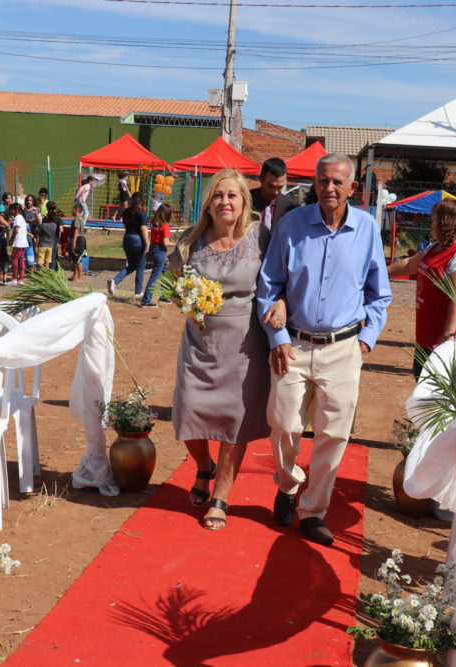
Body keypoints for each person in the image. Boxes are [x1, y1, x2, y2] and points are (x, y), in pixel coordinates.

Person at [257, 153, 392, 546]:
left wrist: (368, 338)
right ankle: (287, 486)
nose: (329, 188)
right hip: (292, 345)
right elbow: (269, 285)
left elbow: (379, 295)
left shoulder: (367, 229)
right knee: (283, 424)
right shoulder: (291, 225)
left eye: (337, 182)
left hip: (344, 348)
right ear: (314, 183)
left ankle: (313, 511)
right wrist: (278, 338)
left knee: (334, 434)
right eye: (322, 180)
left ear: (353, 187)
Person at [171, 169, 272, 530]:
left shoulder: (262, 236)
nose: (225, 202)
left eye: (232, 195)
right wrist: (186, 298)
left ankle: (220, 497)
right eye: (218, 195)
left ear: (244, 200)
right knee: (188, 414)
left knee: (234, 420)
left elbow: (276, 282)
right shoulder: (191, 240)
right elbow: (174, 279)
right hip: (199, 343)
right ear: (208, 203)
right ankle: (203, 466)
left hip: (244, 344)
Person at [387, 198, 456, 379]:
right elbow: (409, 265)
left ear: (446, 222)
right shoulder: (437, 247)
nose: (431, 222)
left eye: (435, 218)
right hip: (427, 336)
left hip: (447, 340)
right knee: (422, 384)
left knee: (440, 396)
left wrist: (447, 336)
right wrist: (380, 274)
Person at [107, 192, 149, 299]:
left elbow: (125, 226)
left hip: (127, 238)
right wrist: (147, 244)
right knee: (140, 266)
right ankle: (138, 292)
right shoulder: (142, 213)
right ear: (141, 201)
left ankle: (115, 281)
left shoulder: (127, 211)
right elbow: (143, 229)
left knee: (131, 265)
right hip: (138, 240)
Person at [249, 157, 298, 232]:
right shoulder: (246, 200)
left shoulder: (291, 206)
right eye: (271, 186)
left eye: (280, 187)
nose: (275, 192)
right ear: (261, 179)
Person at [140, 204, 174, 307]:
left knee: (166, 273)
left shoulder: (154, 223)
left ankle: (163, 296)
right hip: (160, 251)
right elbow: (166, 243)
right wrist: (178, 244)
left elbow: (152, 236)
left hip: (153, 249)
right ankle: (146, 301)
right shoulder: (165, 226)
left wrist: (148, 248)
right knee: (154, 277)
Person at [35, 202, 60, 269]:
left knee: (39, 262)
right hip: (50, 246)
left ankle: (45, 270)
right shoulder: (54, 225)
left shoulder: (43, 225)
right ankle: (47, 275)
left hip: (42, 245)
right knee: (47, 261)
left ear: (47, 217)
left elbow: (37, 229)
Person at [8, 202, 28, 285]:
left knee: (14, 260)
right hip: (23, 242)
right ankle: (21, 279)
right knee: (21, 260)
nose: (10, 211)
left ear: (15, 210)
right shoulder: (21, 217)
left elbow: (16, 230)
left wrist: (11, 239)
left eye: (11, 209)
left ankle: (14, 278)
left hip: (18, 242)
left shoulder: (17, 218)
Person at [69, 202, 87, 282]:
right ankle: (74, 276)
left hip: (78, 240)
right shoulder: (81, 218)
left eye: (72, 209)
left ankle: (81, 277)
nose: (71, 211)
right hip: (81, 239)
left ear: (76, 210)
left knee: (78, 259)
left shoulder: (77, 219)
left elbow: (76, 230)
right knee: (76, 259)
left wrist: (74, 242)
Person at [0, 192, 13, 285]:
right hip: (2, 229)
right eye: (7, 198)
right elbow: (1, 220)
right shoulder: (2, 207)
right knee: (2, 248)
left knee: (5, 247)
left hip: (7, 228)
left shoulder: (9, 207)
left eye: (10, 198)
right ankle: (2, 269)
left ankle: (3, 270)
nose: (9, 200)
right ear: (4, 199)